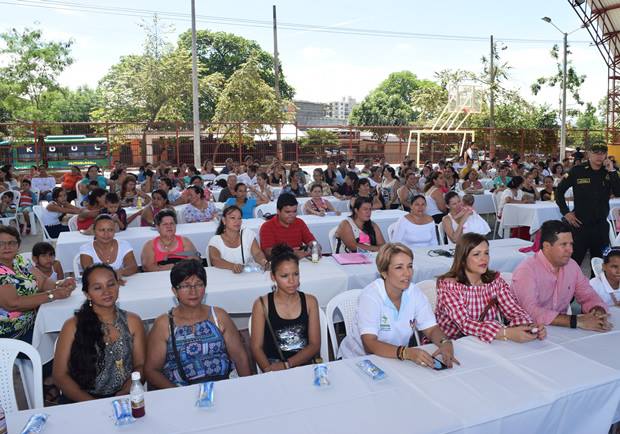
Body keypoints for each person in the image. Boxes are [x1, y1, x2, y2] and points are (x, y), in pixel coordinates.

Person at [338, 243, 458, 367]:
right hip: (356, 361)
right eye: (399, 267)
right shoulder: (371, 297)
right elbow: (370, 344)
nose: (407, 273)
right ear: (384, 272)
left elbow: (431, 328)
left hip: (394, 358)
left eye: (409, 266)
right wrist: (406, 353)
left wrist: (445, 342)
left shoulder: (414, 293)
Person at [144, 259, 251, 387]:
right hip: (180, 390)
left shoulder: (218, 316)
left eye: (199, 284)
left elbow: (240, 357)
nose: (193, 291)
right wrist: (178, 393)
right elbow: (152, 370)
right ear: (174, 290)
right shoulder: (164, 324)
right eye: (185, 286)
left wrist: (247, 388)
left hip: (223, 386)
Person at [52, 264, 145, 402]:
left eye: (111, 284)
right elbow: (59, 376)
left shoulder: (133, 321)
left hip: (124, 396)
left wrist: (126, 391)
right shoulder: (73, 326)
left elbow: (140, 366)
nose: (106, 291)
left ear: (118, 285)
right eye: (97, 287)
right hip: (81, 399)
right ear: (87, 294)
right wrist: (92, 403)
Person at [435, 233, 545, 343]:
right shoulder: (449, 286)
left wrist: (528, 326)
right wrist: (506, 332)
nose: (484, 259)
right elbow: (465, 324)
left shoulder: (495, 282)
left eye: (486, 253)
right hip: (451, 344)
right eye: (476, 254)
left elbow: (514, 310)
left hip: (485, 342)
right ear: (463, 259)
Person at [512, 220, 611, 331]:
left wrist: (597, 311)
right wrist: (576, 321)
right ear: (547, 246)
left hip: (562, 330)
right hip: (527, 333)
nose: (571, 250)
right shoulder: (526, 270)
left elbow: (588, 295)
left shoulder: (572, 266)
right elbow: (531, 311)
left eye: (571, 244)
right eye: (563, 245)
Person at [250, 244, 321, 371]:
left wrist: (287, 364)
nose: (292, 281)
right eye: (284, 276)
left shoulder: (310, 301)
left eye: (296, 274)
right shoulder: (262, 305)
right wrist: (268, 370)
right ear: (273, 277)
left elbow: (314, 344)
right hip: (274, 365)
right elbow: (256, 347)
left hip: (303, 363)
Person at [0, 225, 76, 343]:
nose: (7, 247)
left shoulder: (20, 260)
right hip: (11, 333)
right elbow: (13, 303)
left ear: (18, 245)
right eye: (1, 243)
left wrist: (61, 284)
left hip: (35, 320)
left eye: (11, 243)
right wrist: (53, 295)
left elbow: (43, 282)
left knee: (72, 329)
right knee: (65, 341)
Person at [556, 143, 620, 265]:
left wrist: (612, 170)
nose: (599, 156)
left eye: (602, 153)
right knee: (573, 263)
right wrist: (566, 213)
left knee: (601, 264)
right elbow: (559, 191)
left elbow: (618, 192)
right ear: (589, 154)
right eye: (596, 153)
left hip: (600, 226)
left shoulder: (610, 172)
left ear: (606, 155)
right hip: (580, 225)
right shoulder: (577, 171)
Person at [208, 205, 269, 273]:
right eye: (232, 218)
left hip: (248, 276)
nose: (237, 221)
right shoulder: (215, 240)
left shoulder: (247, 234)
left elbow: (257, 253)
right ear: (224, 220)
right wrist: (233, 266)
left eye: (239, 218)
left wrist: (262, 261)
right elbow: (215, 260)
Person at [79, 215, 138, 281]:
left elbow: (133, 267)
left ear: (114, 231)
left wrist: (121, 272)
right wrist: (113, 275)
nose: (106, 234)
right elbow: (89, 272)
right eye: (101, 230)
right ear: (94, 231)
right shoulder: (86, 248)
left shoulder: (124, 245)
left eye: (110, 230)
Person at [259, 193, 316, 259]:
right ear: (278, 211)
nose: (292, 215)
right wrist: (291, 254)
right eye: (287, 212)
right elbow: (268, 253)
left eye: (294, 211)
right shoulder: (267, 227)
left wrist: (315, 248)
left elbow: (312, 241)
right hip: (278, 265)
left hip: (301, 263)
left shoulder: (299, 222)